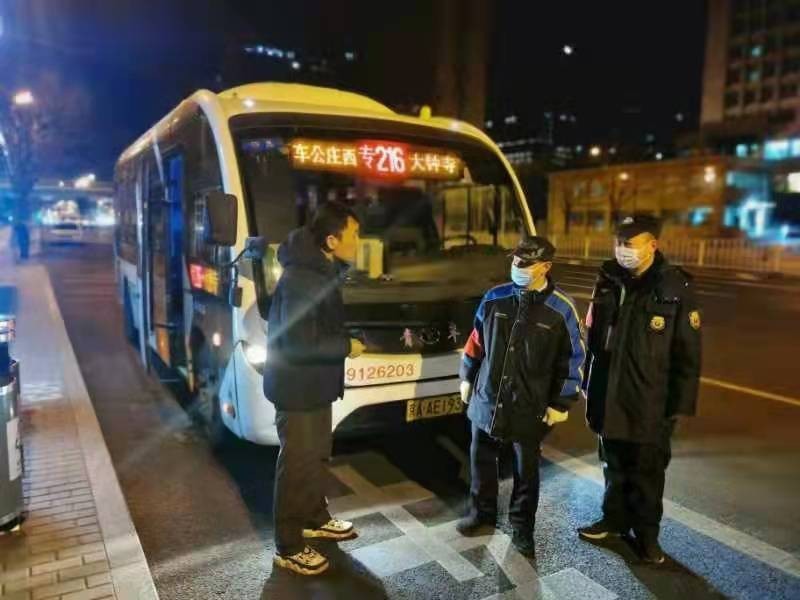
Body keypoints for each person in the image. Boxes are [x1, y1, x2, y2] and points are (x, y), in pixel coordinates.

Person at [578, 215, 702, 564]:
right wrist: (589, 384)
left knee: (647, 473)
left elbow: (689, 353)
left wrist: (676, 408)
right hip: (609, 392)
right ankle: (613, 521)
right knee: (613, 465)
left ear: (652, 245)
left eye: (630, 244)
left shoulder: (675, 287)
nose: (622, 250)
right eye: (619, 243)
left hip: (650, 399)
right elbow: (594, 340)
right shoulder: (607, 280)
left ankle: (647, 537)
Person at [457, 236, 586, 557]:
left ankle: (522, 527)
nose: (518, 267)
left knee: (525, 470)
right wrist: (467, 377)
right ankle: (481, 513)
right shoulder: (494, 298)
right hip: (487, 397)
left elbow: (573, 359)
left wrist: (561, 401)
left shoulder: (561, 309)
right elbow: (475, 342)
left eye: (526, 263)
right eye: (515, 260)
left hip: (529, 404)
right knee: (480, 460)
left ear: (546, 267)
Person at [264, 201, 366, 576]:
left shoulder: (321, 269)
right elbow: (298, 344)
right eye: (354, 234)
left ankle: (314, 517)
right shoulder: (301, 279)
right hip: (298, 389)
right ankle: (289, 545)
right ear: (332, 240)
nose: (359, 241)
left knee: (317, 455)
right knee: (296, 465)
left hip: (316, 385)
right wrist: (346, 346)